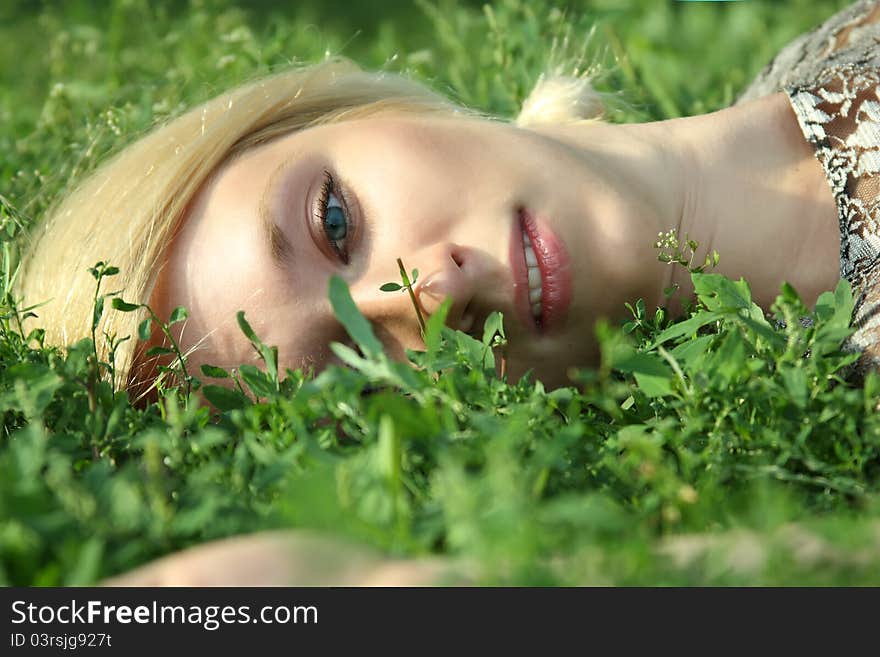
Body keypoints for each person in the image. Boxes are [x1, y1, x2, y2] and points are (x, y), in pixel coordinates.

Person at [16, 1, 880, 584]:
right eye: (355, 373)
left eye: (336, 223)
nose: (426, 296)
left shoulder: (839, 40)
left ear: (341, 110)